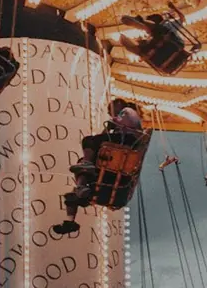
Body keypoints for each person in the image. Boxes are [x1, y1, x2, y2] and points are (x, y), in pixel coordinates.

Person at [51, 100, 146, 235]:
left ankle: (86, 168)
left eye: (110, 109)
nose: (109, 113)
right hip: (115, 162)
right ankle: (71, 219)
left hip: (126, 141)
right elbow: (105, 134)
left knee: (89, 141)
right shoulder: (124, 118)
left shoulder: (128, 111)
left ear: (118, 105)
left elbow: (124, 123)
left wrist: (113, 121)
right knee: (73, 192)